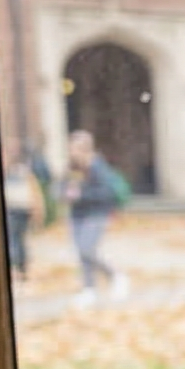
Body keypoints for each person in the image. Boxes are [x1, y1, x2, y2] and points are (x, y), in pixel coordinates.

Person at [58, 129, 126, 304]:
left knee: (87, 249)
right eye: (71, 148)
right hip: (77, 214)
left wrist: (81, 195)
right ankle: (89, 289)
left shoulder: (97, 167)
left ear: (86, 148)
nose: (72, 152)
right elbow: (60, 188)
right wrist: (63, 194)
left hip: (96, 214)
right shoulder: (71, 168)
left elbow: (106, 192)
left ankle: (115, 275)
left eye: (75, 148)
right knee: (82, 252)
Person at [1, 145, 42, 283]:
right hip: (11, 210)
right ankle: (17, 269)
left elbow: (33, 190)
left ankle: (21, 268)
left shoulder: (22, 171)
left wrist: (36, 209)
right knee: (13, 239)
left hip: (22, 210)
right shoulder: (5, 173)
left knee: (19, 239)